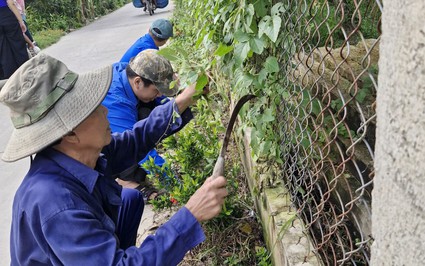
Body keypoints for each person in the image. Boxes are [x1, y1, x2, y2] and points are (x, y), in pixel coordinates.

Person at [1, 53, 228, 265]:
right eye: (94, 108)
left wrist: (183, 100)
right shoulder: (58, 205)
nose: (106, 111)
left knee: (130, 199)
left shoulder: (76, 155)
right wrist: (190, 214)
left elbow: (137, 139)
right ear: (69, 133)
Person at [105, 49, 182, 200]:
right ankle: (124, 180)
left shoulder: (127, 71)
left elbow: (162, 102)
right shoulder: (116, 103)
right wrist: (172, 182)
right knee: (130, 152)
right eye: (157, 90)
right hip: (95, 153)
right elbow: (136, 144)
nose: (160, 94)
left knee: (152, 109)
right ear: (138, 82)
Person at [0, 0, 29, 79]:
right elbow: (11, 3)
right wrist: (21, 21)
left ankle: (11, 79)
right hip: (6, 16)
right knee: (18, 45)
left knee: (3, 51)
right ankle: (26, 73)